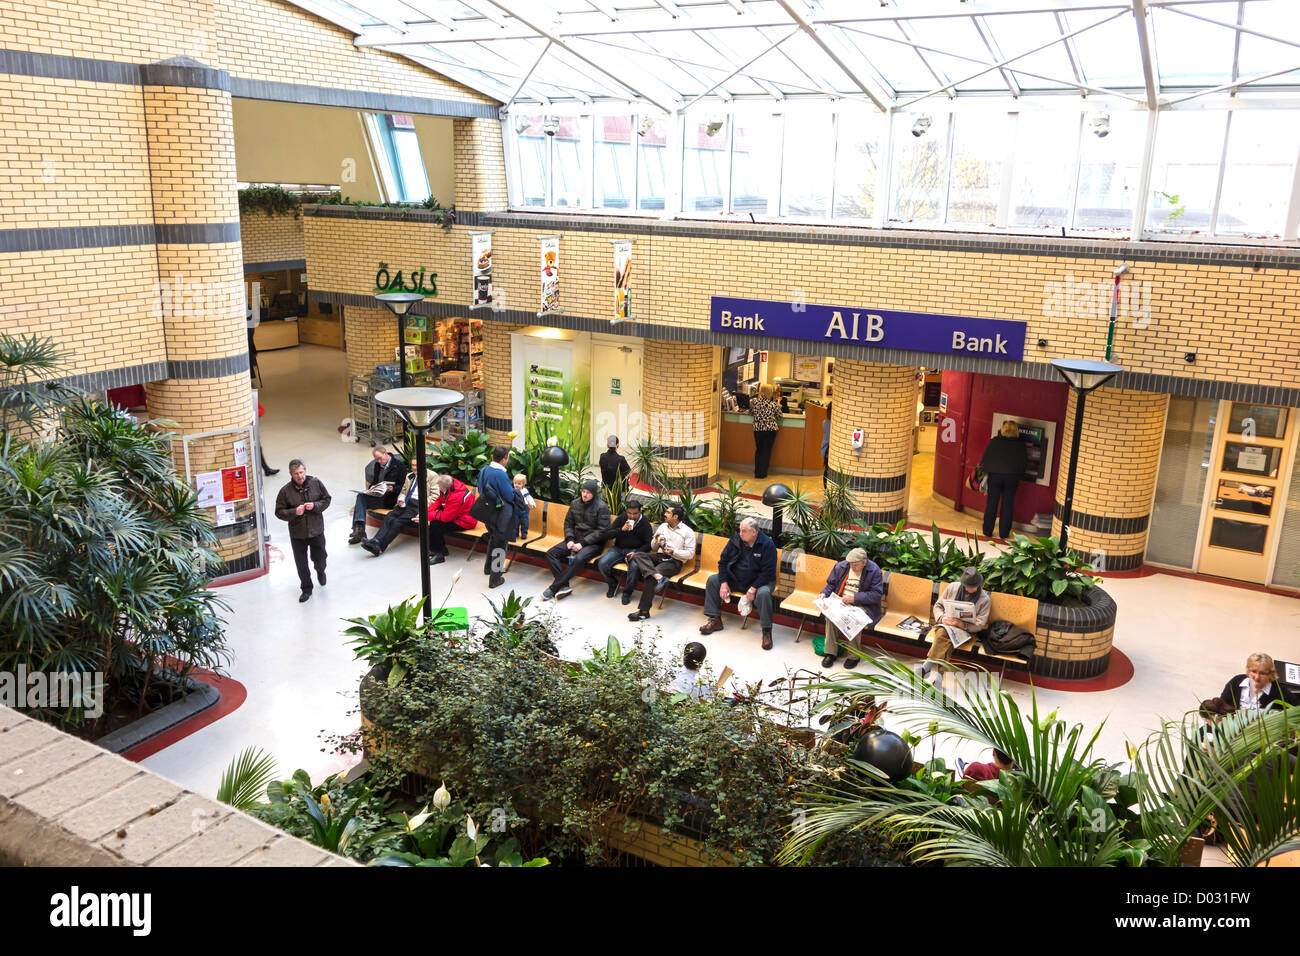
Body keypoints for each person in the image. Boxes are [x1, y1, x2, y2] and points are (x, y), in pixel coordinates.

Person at [699, 516, 779, 650]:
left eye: (744, 531)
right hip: (736, 577)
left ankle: (766, 631)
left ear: (754, 532)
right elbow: (723, 561)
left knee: (764, 594)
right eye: (740, 530)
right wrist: (724, 583)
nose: (740, 533)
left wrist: (753, 588)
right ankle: (715, 619)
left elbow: (768, 572)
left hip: (759, 581)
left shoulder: (767, 544)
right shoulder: (736, 539)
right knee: (713, 580)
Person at [624, 504, 696, 621]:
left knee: (650, 577)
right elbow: (653, 547)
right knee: (637, 555)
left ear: (676, 516)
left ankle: (644, 612)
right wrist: (655, 539)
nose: (665, 514)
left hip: (674, 561)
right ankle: (659, 577)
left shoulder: (688, 532)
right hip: (659, 556)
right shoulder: (663, 526)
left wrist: (674, 551)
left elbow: (690, 554)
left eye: (668, 512)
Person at [542, 479, 611, 601]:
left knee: (579, 558)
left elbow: (601, 531)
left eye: (588, 492)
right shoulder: (575, 503)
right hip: (574, 540)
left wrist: (583, 543)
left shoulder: (602, 507)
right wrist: (569, 539)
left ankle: (554, 588)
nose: (584, 494)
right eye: (583, 491)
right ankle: (564, 586)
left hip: (593, 544)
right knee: (551, 553)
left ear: (594, 494)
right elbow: (568, 523)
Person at [920, 566, 990, 685]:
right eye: (966, 586)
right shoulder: (952, 587)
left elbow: (980, 624)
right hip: (947, 625)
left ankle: (927, 665)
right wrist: (943, 618)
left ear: (978, 585)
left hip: (967, 631)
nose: (968, 589)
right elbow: (938, 606)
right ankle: (938, 679)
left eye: (972, 587)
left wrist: (961, 624)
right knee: (946, 635)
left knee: (943, 636)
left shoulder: (984, 599)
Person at [274, 459, 331, 603]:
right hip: (297, 533)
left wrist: (316, 506)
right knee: (301, 564)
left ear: (305, 470)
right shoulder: (285, 491)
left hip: (316, 529)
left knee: (320, 557)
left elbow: (327, 499)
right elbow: (279, 512)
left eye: (301, 472)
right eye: (296, 474)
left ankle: (320, 570)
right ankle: (306, 589)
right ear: (291, 474)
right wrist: (294, 512)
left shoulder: (316, 483)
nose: (300, 476)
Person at [818, 547, 883, 670]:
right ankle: (830, 653)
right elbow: (831, 584)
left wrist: (855, 598)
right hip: (841, 601)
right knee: (831, 617)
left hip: (862, 605)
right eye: (850, 564)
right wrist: (824, 594)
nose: (852, 567)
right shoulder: (842, 566)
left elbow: (876, 595)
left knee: (854, 620)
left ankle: (854, 656)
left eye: (856, 565)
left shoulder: (874, 571)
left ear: (864, 563)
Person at [359, 460, 422, 556]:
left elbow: (434, 496)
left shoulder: (431, 476)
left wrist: (424, 508)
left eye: (416, 465)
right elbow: (403, 491)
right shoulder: (410, 476)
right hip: (406, 502)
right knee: (389, 516)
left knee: (397, 522)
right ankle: (376, 541)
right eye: (413, 465)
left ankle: (379, 547)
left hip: (418, 505)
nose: (414, 467)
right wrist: (401, 498)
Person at [979, 420, 1028, 539]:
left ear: (1003, 430)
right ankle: (1004, 533)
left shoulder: (995, 441)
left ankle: (987, 531)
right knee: (1007, 505)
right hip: (1012, 478)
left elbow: (985, 459)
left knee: (991, 504)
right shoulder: (1020, 444)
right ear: (1016, 431)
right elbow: (1023, 464)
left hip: (995, 476)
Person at [348, 446, 406, 544]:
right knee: (361, 496)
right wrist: (372, 487)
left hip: (390, 499)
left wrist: (393, 489)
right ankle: (359, 529)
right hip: (378, 495)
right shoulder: (377, 465)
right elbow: (375, 481)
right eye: (376, 459)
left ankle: (359, 531)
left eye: (380, 458)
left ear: (386, 454)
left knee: (360, 502)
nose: (379, 461)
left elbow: (403, 486)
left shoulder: (399, 466)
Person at [477, 445, 516, 589]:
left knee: (493, 539)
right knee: (500, 545)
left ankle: (488, 568)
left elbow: (481, 490)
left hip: (487, 513)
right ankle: (495, 578)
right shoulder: (500, 474)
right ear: (504, 459)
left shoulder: (484, 470)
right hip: (500, 516)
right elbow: (509, 495)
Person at [596, 499, 653, 598]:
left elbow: (649, 544)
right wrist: (621, 530)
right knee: (602, 563)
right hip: (618, 548)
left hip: (634, 551)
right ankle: (613, 584)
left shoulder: (644, 523)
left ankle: (627, 592)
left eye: (635, 514)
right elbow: (607, 535)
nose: (631, 516)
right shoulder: (622, 518)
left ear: (640, 512)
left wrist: (637, 553)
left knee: (634, 568)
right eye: (629, 513)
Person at [426, 473, 477, 564]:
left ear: (443, 487)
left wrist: (428, 516)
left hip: (465, 521)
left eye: (438, 485)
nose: (437, 486)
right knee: (436, 522)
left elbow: (446, 517)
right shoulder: (450, 485)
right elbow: (439, 501)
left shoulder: (456, 496)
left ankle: (439, 555)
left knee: (436, 525)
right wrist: (426, 512)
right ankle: (442, 549)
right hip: (456, 515)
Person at [1220, 653, 1296, 712]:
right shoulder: (1236, 682)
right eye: (1254, 671)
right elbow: (1222, 705)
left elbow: (1296, 709)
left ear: (1270, 674)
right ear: (1248, 670)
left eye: (1262, 673)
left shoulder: (1279, 691)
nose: (1257, 677)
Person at [749, 384, 783, 480]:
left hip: (758, 430)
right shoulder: (772, 404)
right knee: (766, 451)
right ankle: (763, 473)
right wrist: (778, 405)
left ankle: (757, 472)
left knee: (759, 450)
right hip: (770, 430)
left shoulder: (754, 402)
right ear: (770, 392)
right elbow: (780, 416)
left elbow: (750, 413)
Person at [256, 398, 278, 477]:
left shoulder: (252, 397)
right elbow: (262, 410)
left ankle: (266, 469)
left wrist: (253, 414)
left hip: (252, 428)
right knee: (257, 449)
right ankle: (266, 469)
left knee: (258, 449)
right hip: (246, 429)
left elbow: (262, 410)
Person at [512, 472, 535, 542]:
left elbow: (529, 497)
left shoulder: (524, 491)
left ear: (523, 484)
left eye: (519, 484)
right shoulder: (513, 491)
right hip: (516, 508)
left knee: (525, 522)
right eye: (515, 483)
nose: (517, 485)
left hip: (524, 508)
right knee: (515, 522)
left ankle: (524, 534)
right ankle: (515, 533)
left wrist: (532, 503)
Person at [821, 401, 832, 488]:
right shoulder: (832, 424)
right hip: (829, 450)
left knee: (826, 470)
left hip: (826, 450)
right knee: (828, 471)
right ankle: (826, 489)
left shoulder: (825, 422)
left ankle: (825, 489)